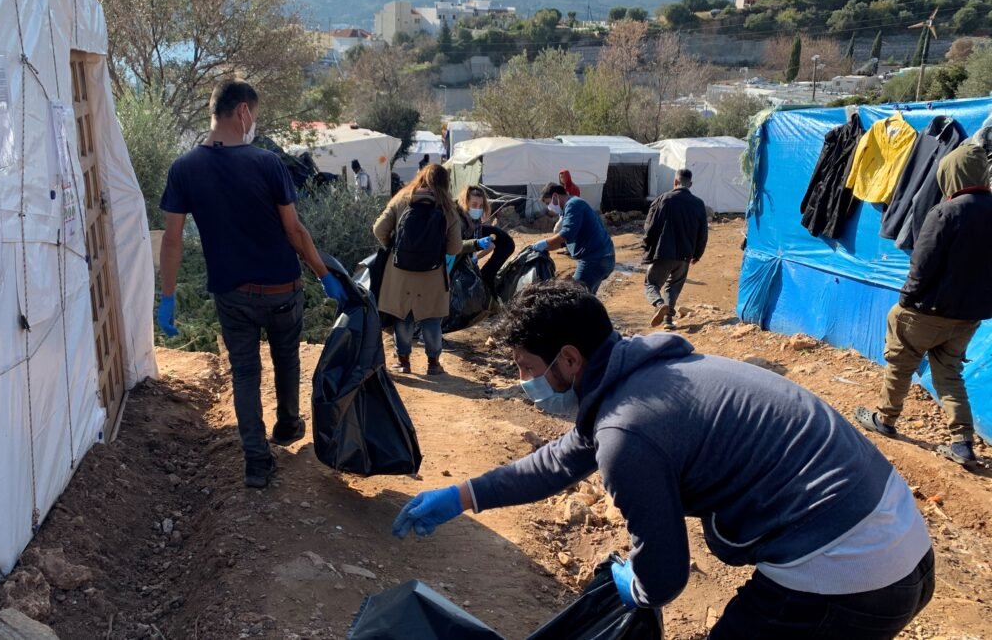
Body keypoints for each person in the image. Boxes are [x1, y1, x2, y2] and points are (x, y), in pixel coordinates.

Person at [393, 280, 934, 639]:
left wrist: (638, 583)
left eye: (525, 366)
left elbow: (666, 574)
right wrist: (462, 496)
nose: (522, 382)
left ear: (570, 358)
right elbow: (561, 460)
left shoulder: (629, 431)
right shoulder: (649, 377)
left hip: (845, 575)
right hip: (903, 543)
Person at [156, 78, 349, 489]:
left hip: (232, 293)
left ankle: (257, 462)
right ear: (243, 111)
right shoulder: (267, 163)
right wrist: (324, 274)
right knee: (286, 358)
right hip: (282, 289)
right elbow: (295, 231)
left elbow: (172, 238)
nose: (254, 123)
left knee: (245, 373)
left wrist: (167, 296)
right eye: (254, 115)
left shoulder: (184, 168)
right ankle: (287, 424)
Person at [856, 143, 992, 467]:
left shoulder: (947, 211)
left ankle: (885, 420)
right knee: (949, 375)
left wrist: (906, 302)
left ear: (951, 173)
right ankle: (961, 443)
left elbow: (923, 263)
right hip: (968, 317)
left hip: (927, 311)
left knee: (900, 363)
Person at [373, 164, 463, 376]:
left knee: (403, 316)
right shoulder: (447, 206)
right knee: (431, 318)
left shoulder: (402, 198)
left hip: (399, 271)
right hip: (432, 273)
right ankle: (433, 364)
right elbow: (455, 247)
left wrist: (393, 246)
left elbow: (378, 229)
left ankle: (403, 361)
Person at [642, 168, 708, 330]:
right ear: (690, 184)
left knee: (651, 283)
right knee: (673, 287)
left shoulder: (663, 200)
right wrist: (697, 254)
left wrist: (646, 248)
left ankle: (659, 304)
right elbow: (703, 233)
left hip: (663, 252)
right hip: (685, 255)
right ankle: (668, 321)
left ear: (675, 182)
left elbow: (649, 227)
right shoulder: (698, 204)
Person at [532, 184, 615, 294]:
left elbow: (567, 233)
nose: (549, 207)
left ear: (555, 196)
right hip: (602, 257)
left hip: (594, 260)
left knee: (575, 295)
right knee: (587, 297)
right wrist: (546, 247)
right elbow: (566, 241)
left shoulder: (573, 205)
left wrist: (544, 243)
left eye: (548, 203)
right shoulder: (573, 204)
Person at [457, 185, 514, 289]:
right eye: (474, 205)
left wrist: (475, 257)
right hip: (455, 265)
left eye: (480, 206)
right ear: (465, 203)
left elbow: (490, 245)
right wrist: (475, 246)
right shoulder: (457, 223)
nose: (478, 209)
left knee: (506, 242)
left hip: (468, 261)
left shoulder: (476, 222)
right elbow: (454, 246)